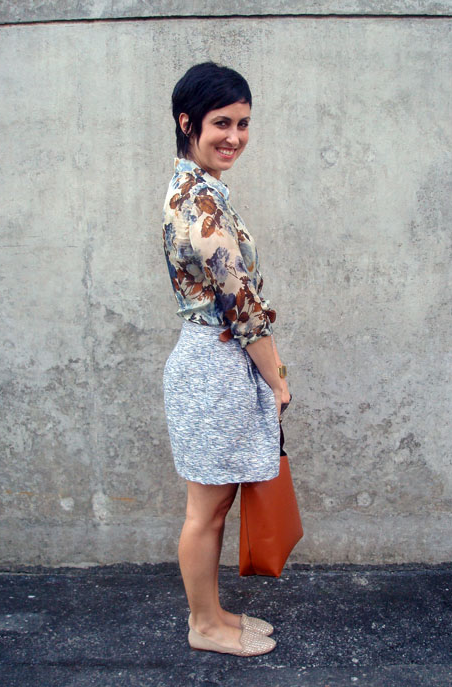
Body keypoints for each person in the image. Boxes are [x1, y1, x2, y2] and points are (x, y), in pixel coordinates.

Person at [161, 62, 291, 657]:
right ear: (188, 122)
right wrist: (278, 378)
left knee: (214, 506)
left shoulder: (199, 189)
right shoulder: (201, 202)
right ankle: (204, 625)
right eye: (221, 123)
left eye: (243, 123)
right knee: (206, 510)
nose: (234, 136)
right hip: (213, 366)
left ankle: (212, 614)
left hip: (217, 362)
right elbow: (242, 306)